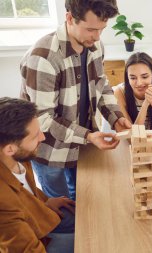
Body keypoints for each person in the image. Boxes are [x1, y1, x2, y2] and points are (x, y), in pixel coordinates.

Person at [19, 0, 131, 201]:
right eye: (90, 29)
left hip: (82, 144)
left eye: (101, 29)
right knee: (63, 213)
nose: (97, 37)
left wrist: (115, 117)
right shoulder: (44, 58)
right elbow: (43, 119)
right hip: (51, 152)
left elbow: (101, 83)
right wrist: (88, 136)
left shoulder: (95, 44)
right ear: (70, 18)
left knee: (85, 202)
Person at [0, 97, 76, 253]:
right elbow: (25, 249)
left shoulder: (19, 157)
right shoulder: (2, 202)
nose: (42, 137)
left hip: (34, 222)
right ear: (9, 149)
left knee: (84, 218)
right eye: (35, 136)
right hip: (32, 243)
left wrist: (46, 201)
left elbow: (25, 191)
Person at [113, 52, 152, 143]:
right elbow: (132, 140)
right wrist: (145, 104)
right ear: (127, 78)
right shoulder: (119, 93)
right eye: (133, 78)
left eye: (144, 76)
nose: (139, 83)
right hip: (132, 149)